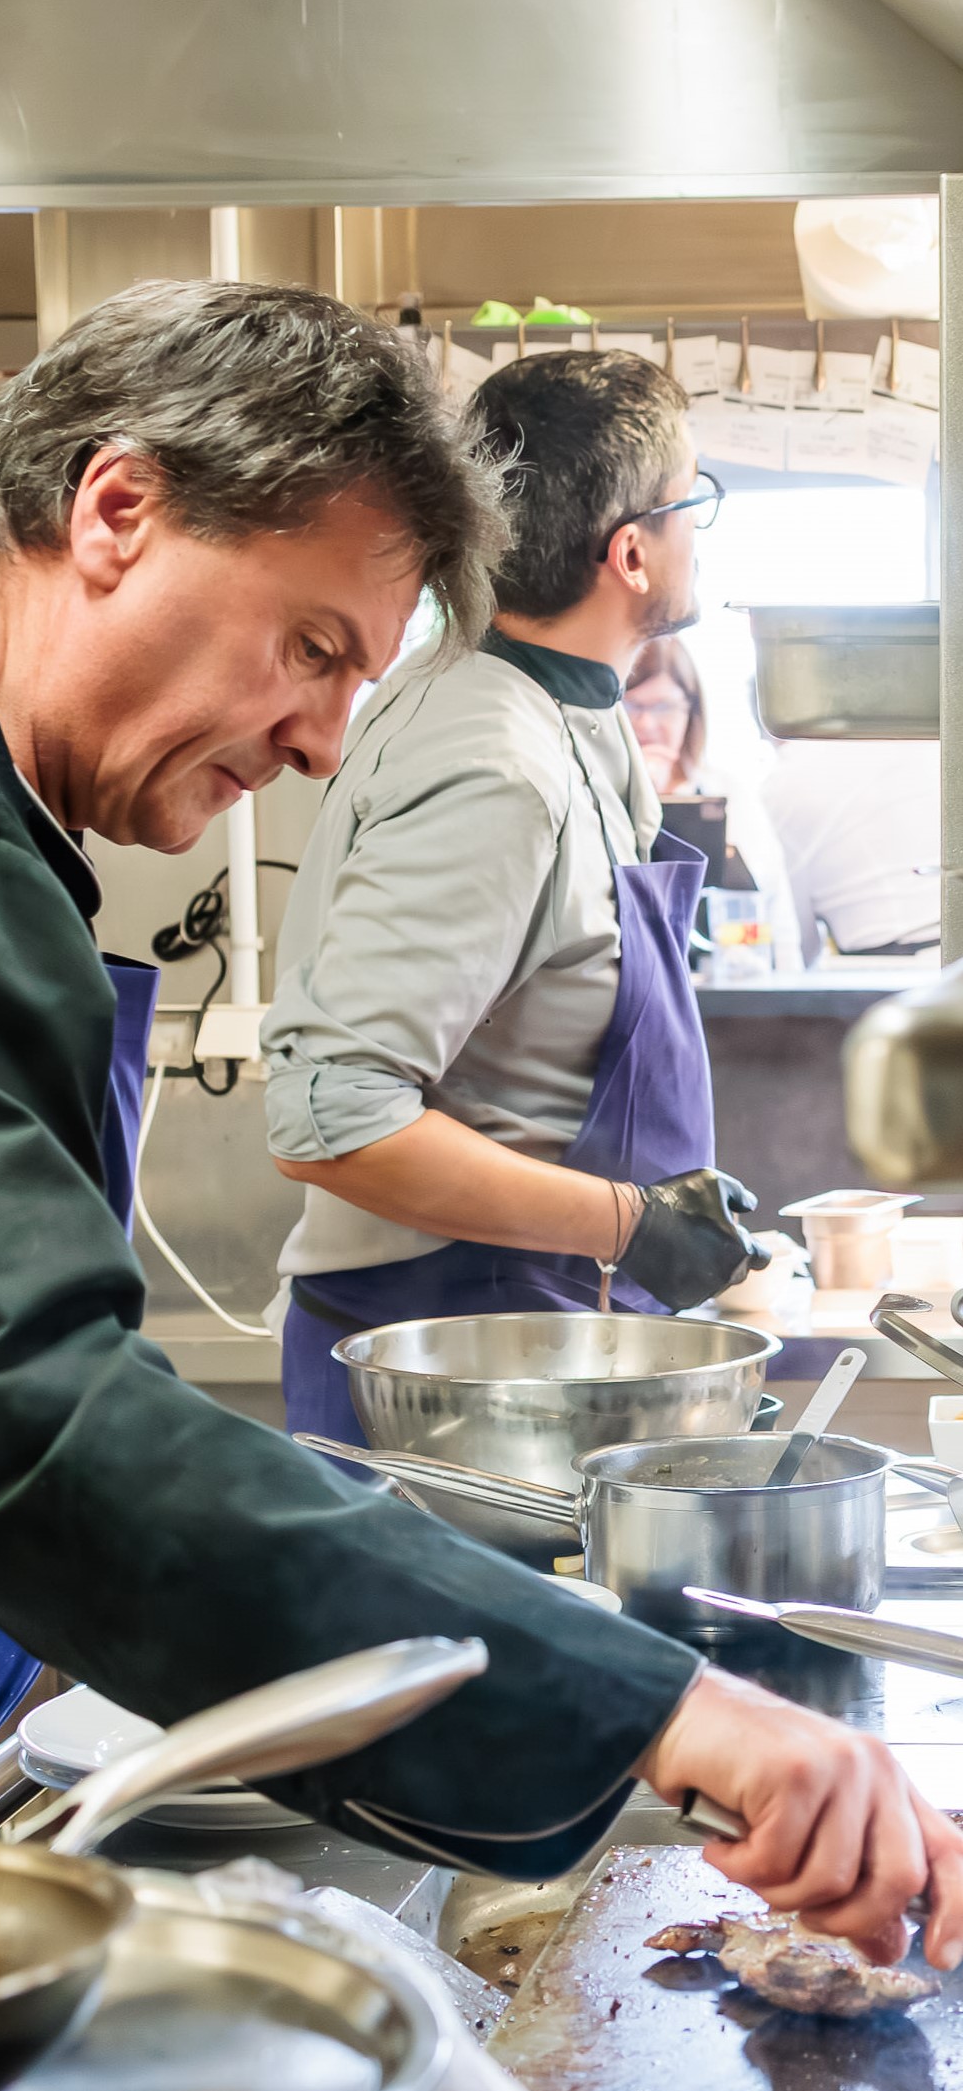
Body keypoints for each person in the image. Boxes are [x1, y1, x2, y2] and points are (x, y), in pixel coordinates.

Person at [0, 282, 954, 1966]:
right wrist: (656, 1707)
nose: (323, 744)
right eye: (313, 648)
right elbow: (22, 1419)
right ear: (117, 510)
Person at [263, 351, 768, 1435]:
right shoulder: (491, 759)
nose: (700, 532)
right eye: (693, 504)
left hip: (528, 1331)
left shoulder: (563, 711)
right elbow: (331, 1115)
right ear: (630, 552)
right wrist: (630, 1222)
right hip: (445, 1362)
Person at [623, 638, 803, 974]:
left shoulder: (727, 792)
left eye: (663, 707)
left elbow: (774, 908)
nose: (646, 725)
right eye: (631, 706)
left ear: (691, 711)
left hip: (728, 981)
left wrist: (788, 986)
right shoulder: (599, 797)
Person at [762, 736, 941, 966]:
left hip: (896, 967)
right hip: (941, 954)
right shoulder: (912, 736)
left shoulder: (784, 783)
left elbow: (796, 941)